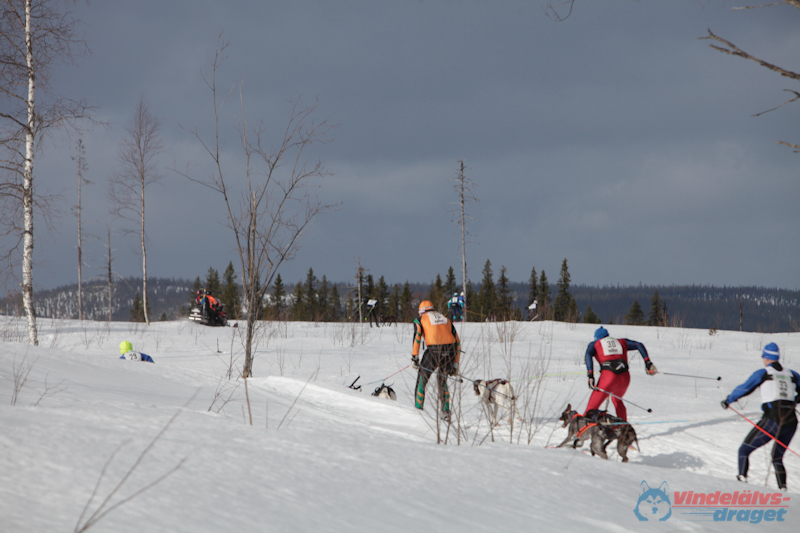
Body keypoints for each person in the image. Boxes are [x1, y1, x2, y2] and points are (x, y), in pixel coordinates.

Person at [721, 343, 799, 490]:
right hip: (791, 422)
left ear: (766, 357)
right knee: (777, 457)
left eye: (763, 356)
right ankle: (783, 490)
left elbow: (745, 388)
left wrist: (728, 400)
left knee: (744, 451)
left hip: (773, 420)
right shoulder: (793, 374)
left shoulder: (763, 373)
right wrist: (794, 400)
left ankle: (741, 483)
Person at [583, 327, 656, 421]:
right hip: (625, 378)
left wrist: (590, 375)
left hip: (608, 377)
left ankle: (580, 433)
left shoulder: (595, 343)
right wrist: (647, 362)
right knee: (617, 399)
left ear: (597, 338)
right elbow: (639, 344)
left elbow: (588, 355)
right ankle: (623, 429)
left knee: (591, 409)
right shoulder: (621, 341)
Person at [411, 300, 461, 421]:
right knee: (442, 380)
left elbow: (417, 337)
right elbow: (457, 342)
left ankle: (418, 410)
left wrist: (414, 357)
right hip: (450, 351)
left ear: (421, 312)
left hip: (433, 351)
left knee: (422, 380)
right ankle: (445, 412)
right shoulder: (445, 319)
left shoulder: (420, 319)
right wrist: (455, 364)